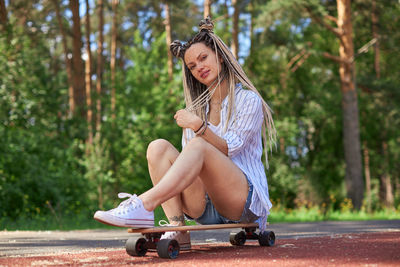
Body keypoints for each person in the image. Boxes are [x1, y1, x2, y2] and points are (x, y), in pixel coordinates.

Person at [94, 17, 276, 251]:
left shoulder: (248, 100)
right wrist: (197, 124)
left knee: (200, 145)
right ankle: (177, 228)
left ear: (219, 56)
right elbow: (190, 165)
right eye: (192, 66)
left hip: (240, 201)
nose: (199, 67)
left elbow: (230, 149)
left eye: (203, 58)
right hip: (203, 207)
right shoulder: (196, 110)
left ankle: (144, 204)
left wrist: (200, 127)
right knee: (157, 147)